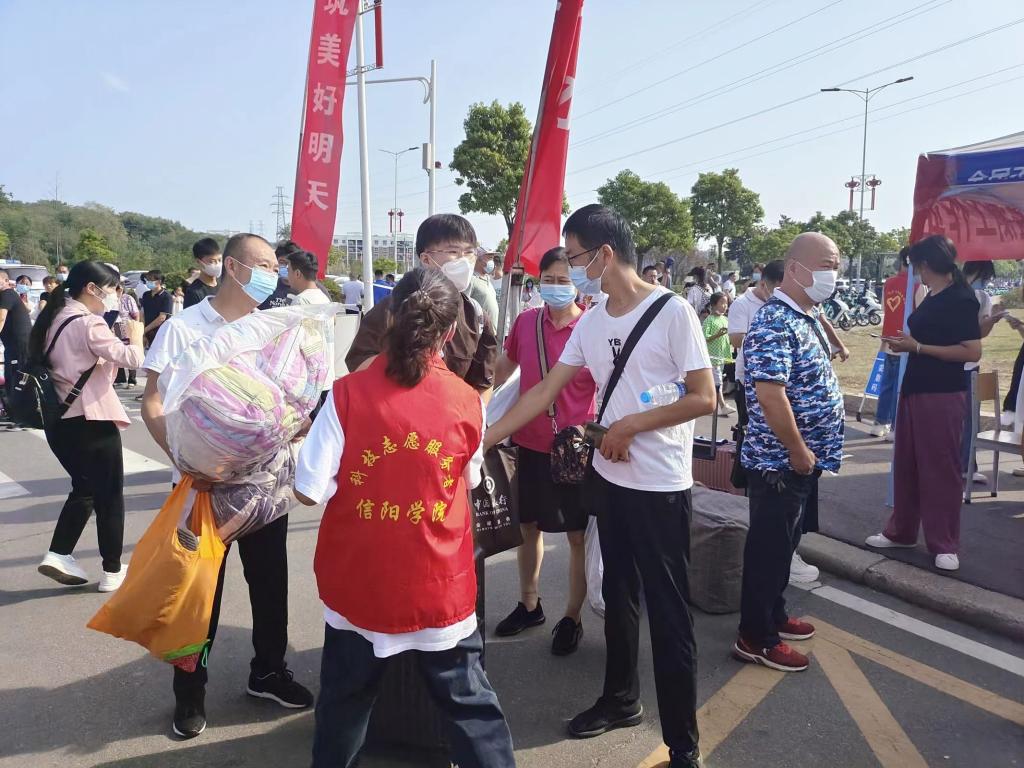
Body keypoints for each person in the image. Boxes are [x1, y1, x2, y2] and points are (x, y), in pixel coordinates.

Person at [485, 204, 714, 768]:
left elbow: (704, 397)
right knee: (619, 597)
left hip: (659, 487)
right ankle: (620, 700)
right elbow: (542, 392)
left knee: (669, 616)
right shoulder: (591, 323)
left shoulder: (673, 312)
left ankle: (683, 744)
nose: (571, 270)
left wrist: (631, 425)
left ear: (604, 255)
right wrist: (483, 438)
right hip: (609, 480)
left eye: (576, 257)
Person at [296, 268, 515, 768]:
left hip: (360, 584)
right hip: (437, 585)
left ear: (389, 316)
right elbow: (470, 480)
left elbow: (309, 490)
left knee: (344, 704)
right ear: (451, 331)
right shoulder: (468, 402)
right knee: (470, 707)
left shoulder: (347, 394)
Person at [141, 233, 313, 739]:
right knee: (198, 596)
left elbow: (290, 400)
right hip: (202, 490)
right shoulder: (184, 328)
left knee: (271, 586)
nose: (273, 276)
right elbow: (153, 401)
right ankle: (189, 692)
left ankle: (269, 672)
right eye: (264, 266)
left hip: (263, 490)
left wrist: (296, 422)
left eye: (276, 267)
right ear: (233, 268)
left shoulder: (273, 330)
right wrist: (183, 458)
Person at [735, 233, 845, 673]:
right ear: (796, 269)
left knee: (784, 546)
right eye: (827, 265)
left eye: (836, 266)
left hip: (800, 462)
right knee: (768, 551)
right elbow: (770, 394)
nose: (834, 274)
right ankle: (755, 636)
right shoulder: (773, 322)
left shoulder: (805, 315)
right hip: (779, 463)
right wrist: (798, 450)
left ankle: (774, 614)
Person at [492, 246, 597, 656]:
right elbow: (502, 371)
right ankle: (529, 604)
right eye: (548, 279)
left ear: (578, 283)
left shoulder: (592, 328)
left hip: (574, 450)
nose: (555, 287)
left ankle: (572, 617)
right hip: (528, 443)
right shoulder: (526, 322)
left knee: (576, 536)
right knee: (527, 528)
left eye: (563, 279)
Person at [867, 235, 981, 572]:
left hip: (942, 393)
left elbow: (972, 351)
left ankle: (944, 542)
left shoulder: (961, 298)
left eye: (917, 266)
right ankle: (901, 531)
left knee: (940, 469)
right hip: (914, 387)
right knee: (908, 464)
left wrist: (916, 347)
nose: (916, 272)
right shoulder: (931, 294)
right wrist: (906, 343)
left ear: (927, 264)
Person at [32, 262, 144, 592]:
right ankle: (112, 570)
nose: (115, 295)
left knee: (85, 488)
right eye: (112, 289)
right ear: (91, 288)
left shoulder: (53, 317)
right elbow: (132, 359)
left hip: (59, 421)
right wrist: (137, 336)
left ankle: (59, 554)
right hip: (91, 418)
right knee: (110, 495)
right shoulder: (88, 322)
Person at [726, 260, 817, 583]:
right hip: (754, 390)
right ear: (765, 284)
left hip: (795, 410)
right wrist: (774, 337)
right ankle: (775, 555)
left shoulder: (797, 311)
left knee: (791, 494)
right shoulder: (749, 308)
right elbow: (736, 339)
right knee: (770, 474)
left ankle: (786, 551)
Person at [346, 213, 498, 394]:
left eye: (469, 252)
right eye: (453, 252)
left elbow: (483, 383)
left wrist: (468, 410)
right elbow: (359, 366)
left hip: (453, 410)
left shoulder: (476, 316)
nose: (464, 260)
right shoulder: (391, 309)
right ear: (426, 259)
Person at [871, 248, 927, 440]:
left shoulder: (889, 283)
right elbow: (922, 315)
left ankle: (880, 423)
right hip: (907, 344)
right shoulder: (918, 286)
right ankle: (896, 427)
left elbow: (885, 308)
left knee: (887, 385)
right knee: (901, 388)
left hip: (888, 342)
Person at [961, 259, 1000, 485]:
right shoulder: (953, 292)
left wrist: (992, 319)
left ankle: (966, 466)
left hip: (967, 365)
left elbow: (980, 332)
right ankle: (957, 465)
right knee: (956, 418)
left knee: (968, 418)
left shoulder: (982, 297)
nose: (986, 282)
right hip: (953, 364)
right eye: (985, 277)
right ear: (976, 271)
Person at [0, 270, 32, 404]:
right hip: (13, 345)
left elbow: (1, 319)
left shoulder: (7, 294)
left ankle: (19, 407)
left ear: (6, 281)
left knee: (16, 377)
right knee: (11, 376)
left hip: (19, 344)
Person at [702, 292, 734, 416]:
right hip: (713, 357)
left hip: (722, 356)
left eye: (726, 303)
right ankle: (722, 405)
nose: (725, 306)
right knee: (717, 382)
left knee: (716, 381)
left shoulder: (725, 319)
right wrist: (717, 335)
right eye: (722, 303)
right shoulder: (709, 320)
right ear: (714, 304)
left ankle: (709, 403)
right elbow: (704, 338)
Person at [113, 283, 141, 388]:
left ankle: (132, 378)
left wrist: (135, 327)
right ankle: (119, 378)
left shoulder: (127, 298)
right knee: (117, 351)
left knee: (129, 351)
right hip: (114, 327)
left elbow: (136, 314)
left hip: (127, 327)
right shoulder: (110, 298)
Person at [184, 237, 222, 309]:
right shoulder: (194, 292)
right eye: (212, 261)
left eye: (219, 260)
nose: (217, 264)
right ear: (198, 262)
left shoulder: (225, 285)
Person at [257, 242, 295, 310]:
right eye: (282, 262)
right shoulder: (266, 286)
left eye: (290, 263)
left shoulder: (303, 289)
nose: (287, 266)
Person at [469, 248, 500, 329]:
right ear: (478, 259)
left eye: (492, 258)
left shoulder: (488, 279)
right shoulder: (471, 280)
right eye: (490, 258)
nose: (492, 262)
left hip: (492, 332)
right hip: (478, 331)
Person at [140, 270, 172, 345]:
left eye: (150, 280)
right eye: (147, 280)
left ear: (159, 281)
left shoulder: (166, 297)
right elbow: (142, 313)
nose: (148, 282)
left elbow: (161, 318)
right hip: (145, 332)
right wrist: (143, 332)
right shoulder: (146, 295)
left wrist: (145, 330)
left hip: (160, 333)